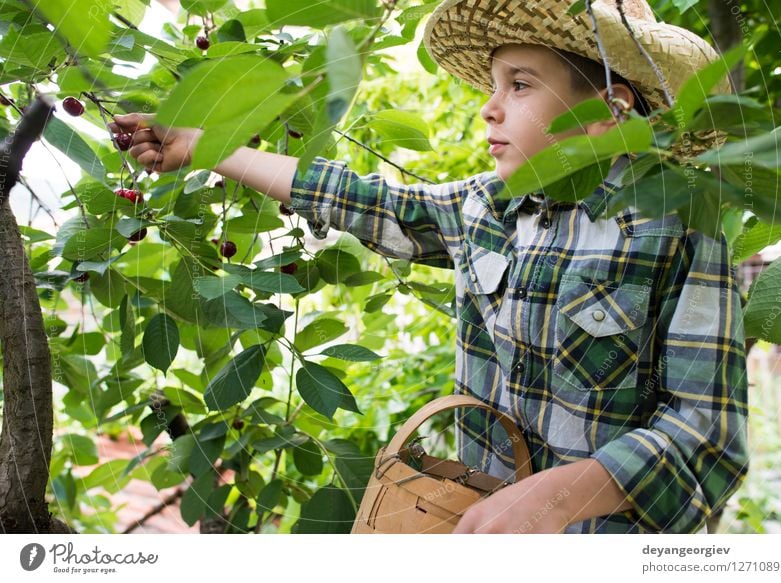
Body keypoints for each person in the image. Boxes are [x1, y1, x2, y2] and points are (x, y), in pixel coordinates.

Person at [110, 0, 748, 534]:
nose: (489, 108)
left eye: (520, 84)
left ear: (608, 109)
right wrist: (203, 147)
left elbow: (708, 435)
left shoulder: (679, 231)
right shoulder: (486, 210)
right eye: (494, 85)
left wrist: (559, 497)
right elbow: (365, 199)